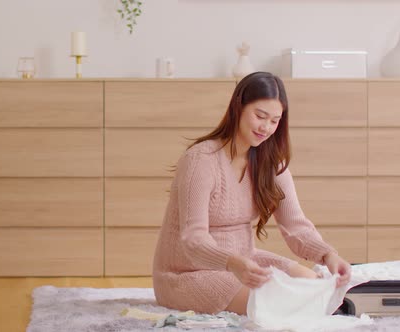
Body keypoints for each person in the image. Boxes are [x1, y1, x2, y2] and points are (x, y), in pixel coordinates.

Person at [151, 71, 352, 315]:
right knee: (278, 304)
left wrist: (329, 255)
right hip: (188, 273)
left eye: (274, 120)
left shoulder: (271, 164)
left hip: (245, 261)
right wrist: (232, 263)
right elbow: (193, 240)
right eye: (260, 116)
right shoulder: (200, 160)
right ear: (238, 107)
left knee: (318, 288)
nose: (266, 127)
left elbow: (296, 226)